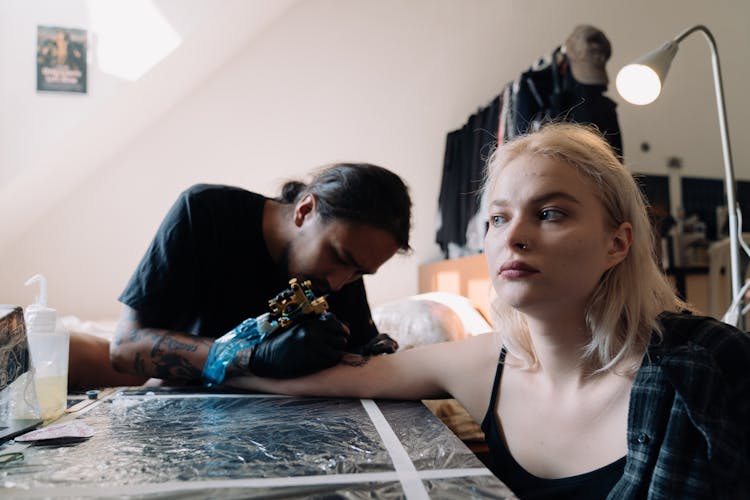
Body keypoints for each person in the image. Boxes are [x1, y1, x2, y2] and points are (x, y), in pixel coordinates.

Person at [227, 123, 750, 499]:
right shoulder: (481, 364)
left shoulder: (711, 365)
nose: (513, 238)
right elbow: (328, 379)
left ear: (617, 243)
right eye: (498, 218)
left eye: (549, 213)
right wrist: (219, 367)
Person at [109, 163, 412, 385]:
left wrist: (372, 352)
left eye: (360, 272)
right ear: (305, 211)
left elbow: (362, 351)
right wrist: (253, 357)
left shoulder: (341, 268)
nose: (337, 283)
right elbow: (124, 347)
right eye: (338, 256)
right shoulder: (205, 212)